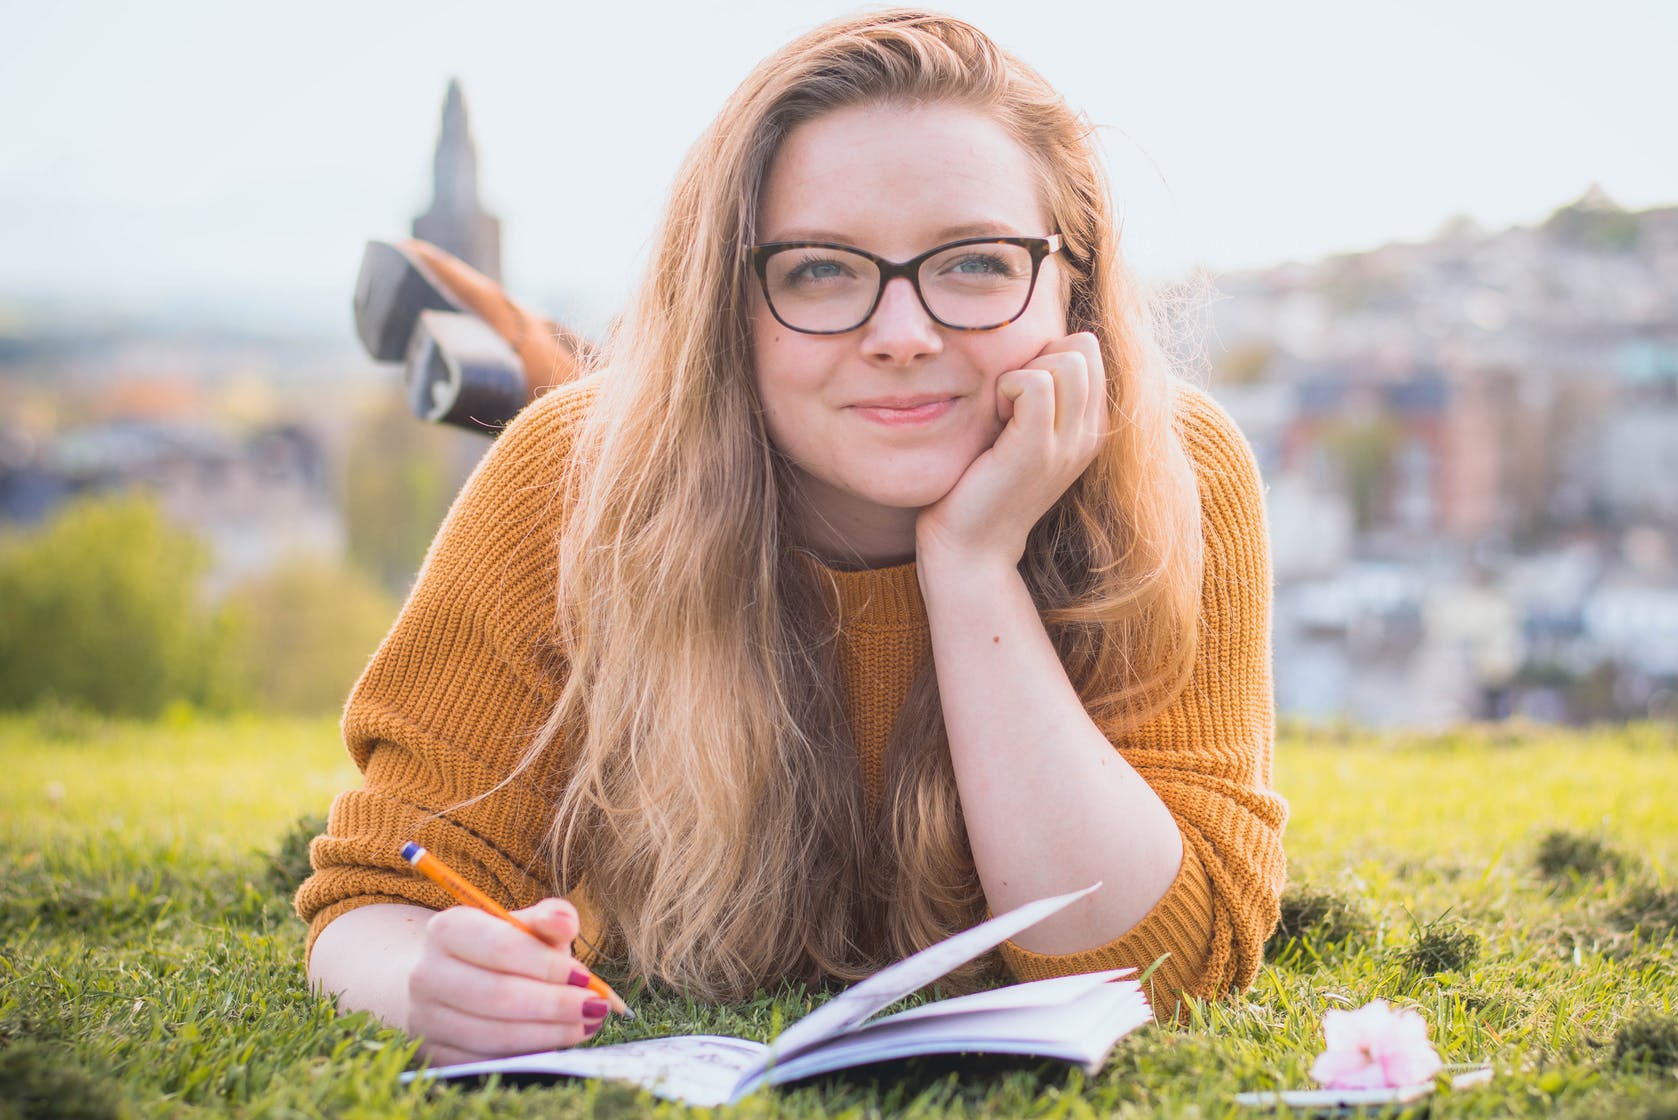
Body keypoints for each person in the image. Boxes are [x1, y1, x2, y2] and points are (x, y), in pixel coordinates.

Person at [296, 8, 1288, 1066]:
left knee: (659, 413)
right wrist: (430, 979)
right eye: (818, 269)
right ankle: (545, 353)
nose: (903, 337)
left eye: (977, 263)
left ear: (1073, 284)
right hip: (666, 442)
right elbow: (378, 897)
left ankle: (531, 340)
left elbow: (1166, 966)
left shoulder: (1171, 471)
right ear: (729, 296)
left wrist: (970, 567)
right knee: (621, 437)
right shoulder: (565, 478)